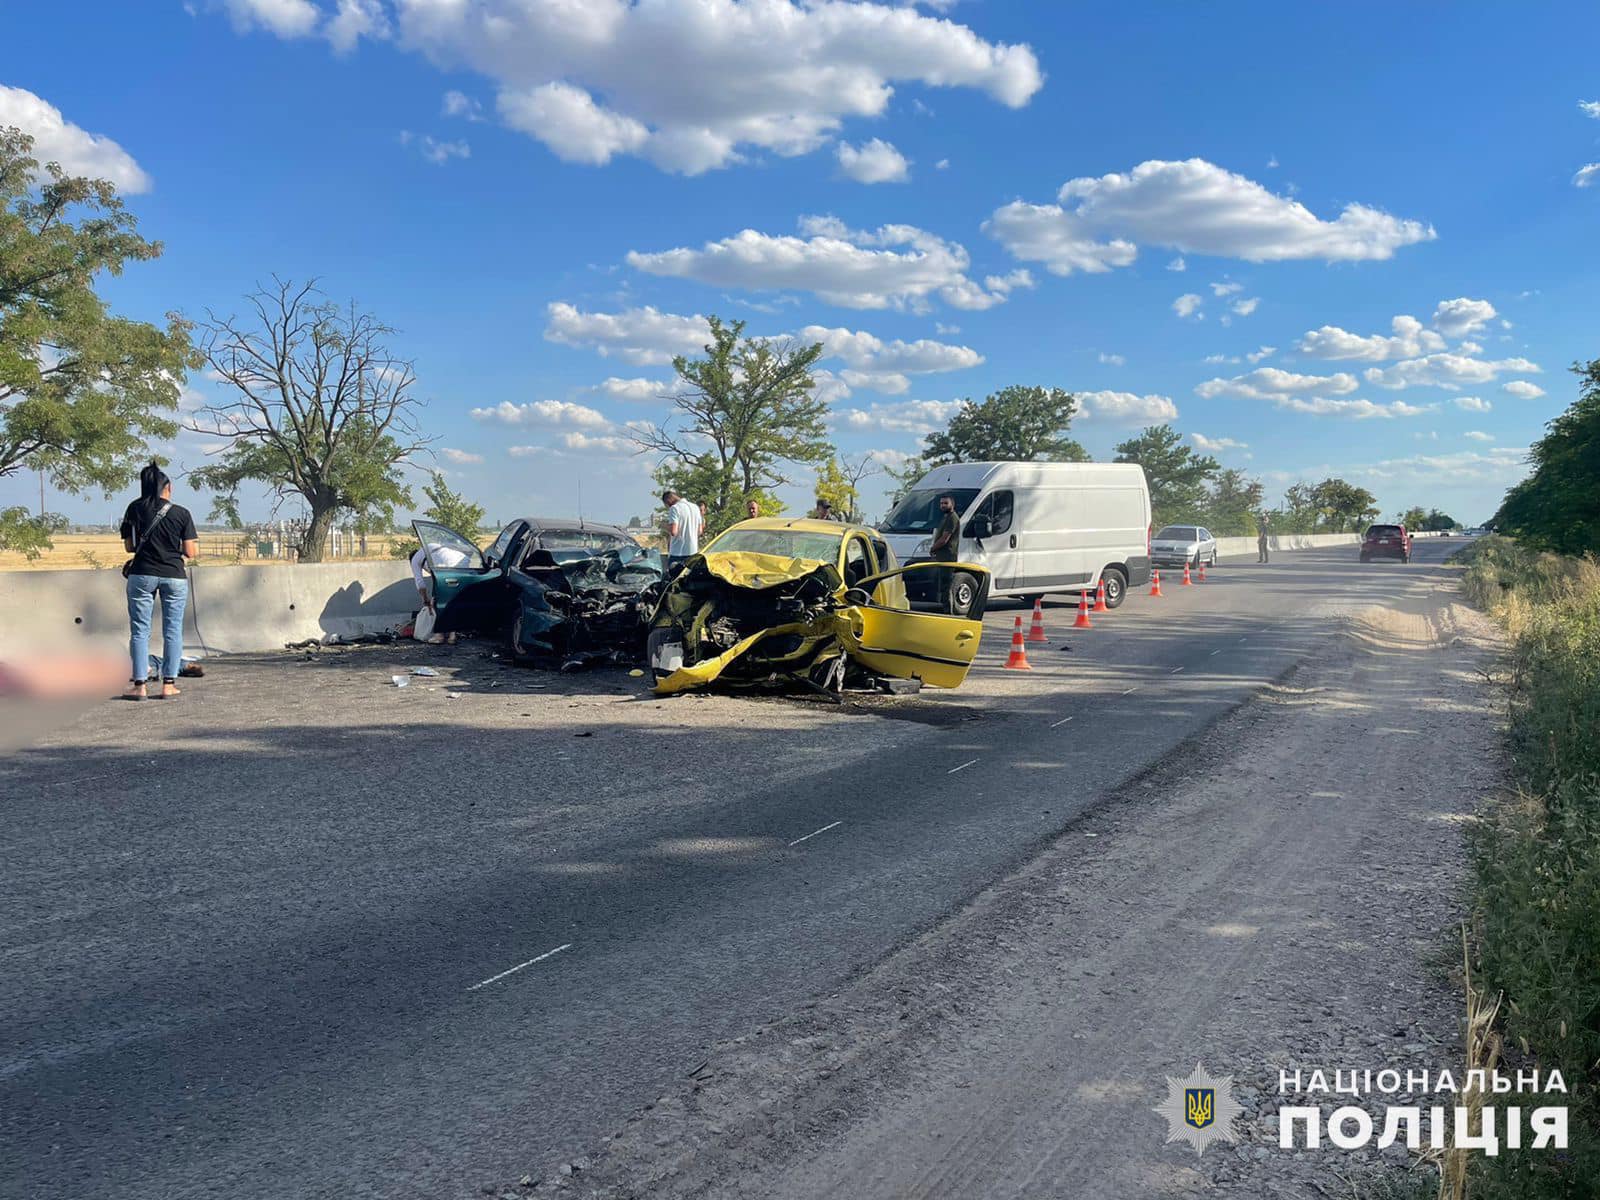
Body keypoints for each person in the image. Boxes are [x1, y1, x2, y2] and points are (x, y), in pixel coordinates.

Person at [119, 462, 198, 700]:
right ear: (168, 488)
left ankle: (139, 686)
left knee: (139, 631)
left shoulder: (134, 508)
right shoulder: (181, 513)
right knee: (172, 631)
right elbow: (191, 552)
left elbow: (130, 547)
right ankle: (169, 685)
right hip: (174, 575)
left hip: (142, 574)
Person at [410, 540, 471, 643]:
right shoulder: (429, 547)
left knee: (438, 601)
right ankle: (452, 636)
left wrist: (426, 601)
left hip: (445, 567)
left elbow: (420, 583)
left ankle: (439, 636)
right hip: (462, 561)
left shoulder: (415, 560)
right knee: (452, 600)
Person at [929, 492, 961, 612]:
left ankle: (948, 612)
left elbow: (945, 539)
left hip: (948, 558)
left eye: (945, 503)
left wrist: (933, 548)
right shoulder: (945, 518)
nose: (943, 505)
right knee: (942, 587)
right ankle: (944, 609)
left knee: (946, 587)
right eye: (941, 503)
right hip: (941, 558)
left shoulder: (952, 518)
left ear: (952, 504)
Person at [662, 489, 702, 577]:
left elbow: (673, 531)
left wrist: (664, 526)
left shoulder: (675, 508)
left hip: (678, 553)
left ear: (668, 500)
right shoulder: (695, 507)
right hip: (693, 552)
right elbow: (699, 531)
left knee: (673, 582)